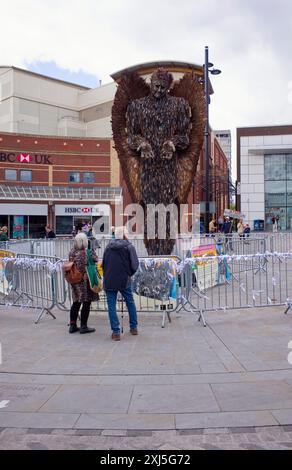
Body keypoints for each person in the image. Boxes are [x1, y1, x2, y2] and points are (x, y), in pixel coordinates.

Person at [102, 226, 139, 341]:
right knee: (130, 302)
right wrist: (129, 274)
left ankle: (116, 332)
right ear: (124, 235)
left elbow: (104, 263)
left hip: (109, 279)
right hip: (124, 279)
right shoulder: (129, 247)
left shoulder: (108, 247)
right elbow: (135, 265)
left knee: (111, 306)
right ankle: (133, 327)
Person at [68, 232, 98, 334]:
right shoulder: (86, 253)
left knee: (76, 303)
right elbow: (95, 259)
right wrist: (91, 249)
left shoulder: (72, 252)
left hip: (74, 280)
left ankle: (72, 325)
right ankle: (83, 326)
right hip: (84, 282)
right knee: (86, 303)